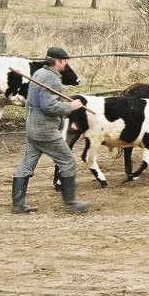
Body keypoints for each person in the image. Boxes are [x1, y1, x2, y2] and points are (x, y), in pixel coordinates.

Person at [12, 46, 89, 213]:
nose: (66, 64)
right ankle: (70, 203)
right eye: (65, 61)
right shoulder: (51, 78)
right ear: (58, 61)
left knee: (26, 165)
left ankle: (18, 204)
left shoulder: (39, 73)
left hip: (33, 126)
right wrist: (71, 106)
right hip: (45, 130)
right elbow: (49, 106)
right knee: (68, 161)